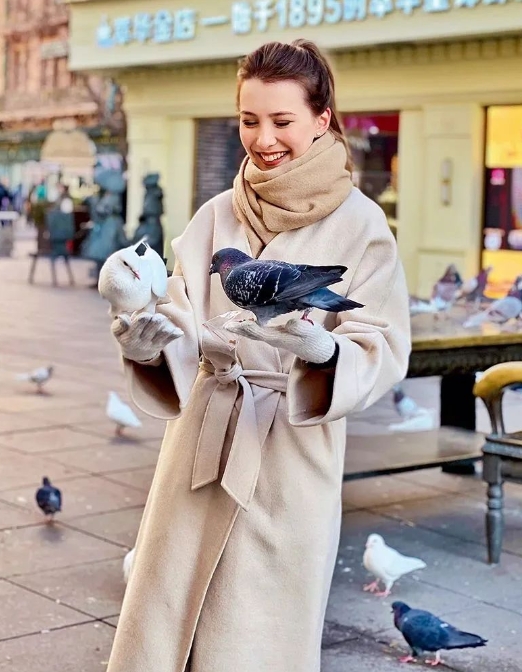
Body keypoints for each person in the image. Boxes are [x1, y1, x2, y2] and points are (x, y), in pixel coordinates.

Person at [106, 39, 411, 672]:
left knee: (255, 635)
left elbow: (383, 344)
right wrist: (145, 344)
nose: (263, 138)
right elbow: (178, 316)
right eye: (249, 120)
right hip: (202, 442)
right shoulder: (216, 213)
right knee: (168, 627)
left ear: (322, 119)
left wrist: (324, 349)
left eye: (282, 121)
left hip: (289, 456)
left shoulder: (362, 224)